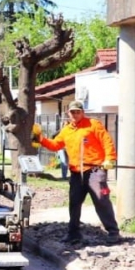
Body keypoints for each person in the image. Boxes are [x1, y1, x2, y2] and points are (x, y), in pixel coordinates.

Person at [35, 99, 120, 245]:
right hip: (76, 173)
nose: (75, 114)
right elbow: (56, 145)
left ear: (82, 112)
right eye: (72, 112)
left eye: (78, 112)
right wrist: (41, 139)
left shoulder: (94, 125)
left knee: (101, 200)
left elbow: (107, 142)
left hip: (95, 170)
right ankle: (73, 234)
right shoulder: (66, 130)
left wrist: (110, 159)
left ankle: (113, 232)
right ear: (68, 113)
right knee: (74, 203)